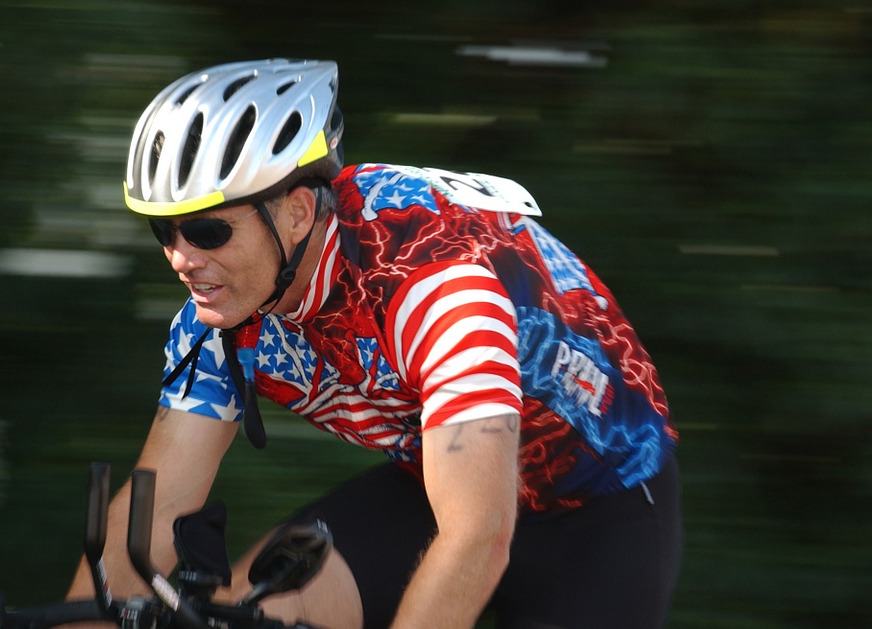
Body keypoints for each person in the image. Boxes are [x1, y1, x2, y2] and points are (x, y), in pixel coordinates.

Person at [66, 58, 682, 629]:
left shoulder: (433, 287)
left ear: (299, 212)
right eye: (162, 232)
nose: (181, 257)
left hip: (597, 505)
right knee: (249, 613)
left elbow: (478, 535)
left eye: (207, 229)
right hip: (434, 481)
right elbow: (154, 510)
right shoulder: (219, 322)